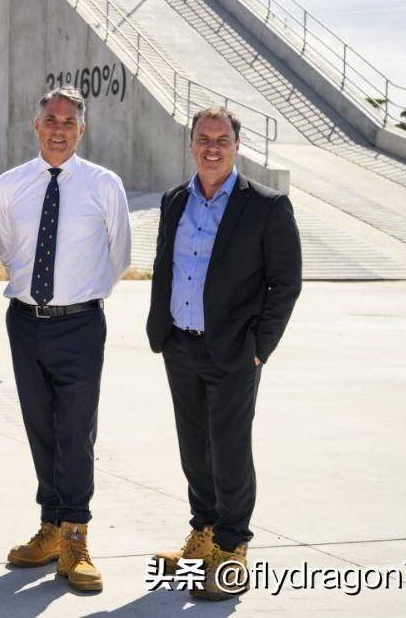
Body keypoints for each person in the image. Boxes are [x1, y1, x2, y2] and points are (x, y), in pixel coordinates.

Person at [146, 106, 302, 600]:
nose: (212, 147)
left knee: (230, 449)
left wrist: (260, 348)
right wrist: (163, 330)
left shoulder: (267, 206)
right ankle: (204, 533)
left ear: (237, 145)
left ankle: (233, 549)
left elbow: (286, 283)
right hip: (180, 345)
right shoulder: (175, 200)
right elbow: (166, 266)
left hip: (234, 352)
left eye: (222, 139)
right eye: (203, 138)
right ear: (190, 143)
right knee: (194, 447)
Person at [0, 86, 131, 593]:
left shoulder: (104, 185)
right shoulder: (11, 184)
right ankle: (50, 527)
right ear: (36, 124)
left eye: (69, 122)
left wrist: (80, 296)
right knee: (40, 427)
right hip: (25, 321)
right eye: (51, 119)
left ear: (82, 129)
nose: (58, 129)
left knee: (76, 430)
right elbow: (9, 248)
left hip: (80, 324)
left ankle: (77, 533)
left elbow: (118, 255)